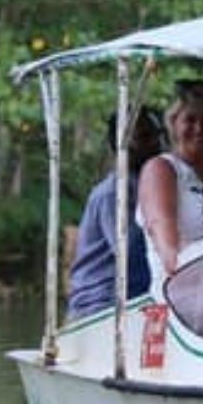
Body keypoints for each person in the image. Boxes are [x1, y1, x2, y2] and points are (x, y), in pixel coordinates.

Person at [137, 78, 203, 281]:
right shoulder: (161, 169)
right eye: (190, 119)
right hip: (180, 293)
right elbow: (167, 244)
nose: (199, 128)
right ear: (174, 123)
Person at [67, 107, 165, 318]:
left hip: (138, 297)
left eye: (157, 136)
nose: (156, 144)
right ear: (120, 144)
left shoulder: (151, 183)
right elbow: (131, 254)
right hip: (100, 303)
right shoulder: (113, 193)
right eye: (144, 138)